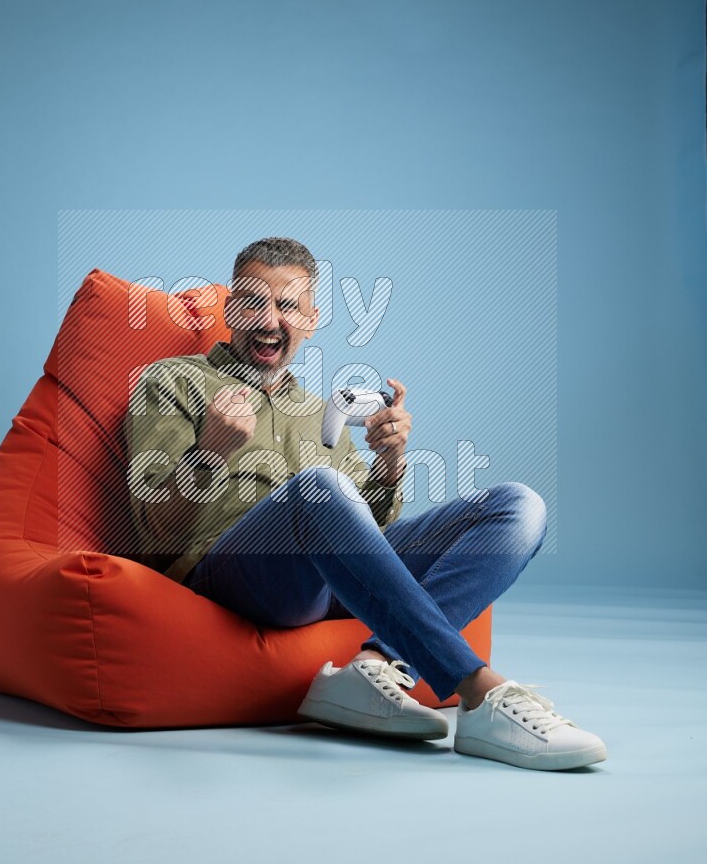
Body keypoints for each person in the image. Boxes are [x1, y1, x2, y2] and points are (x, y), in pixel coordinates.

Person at [124, 236, 607, 771]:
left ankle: (372, 665)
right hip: (230, 575)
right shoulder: (171, 380)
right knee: (319, 488)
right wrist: (209, 453)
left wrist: (389, 464)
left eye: (287, 305)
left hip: (330, 583)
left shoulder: (319, 410)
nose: (268, 319)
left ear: (311, 319)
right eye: (253, 301)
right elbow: (155, 533)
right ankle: (480, 691)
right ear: (230, 308)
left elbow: (369, 541)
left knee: (519, 506)